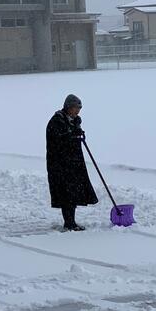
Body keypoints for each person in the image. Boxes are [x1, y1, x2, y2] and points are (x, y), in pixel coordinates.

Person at [46, 94, 98, 231]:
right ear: (68, 107)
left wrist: (77, 133)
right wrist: (72, 135)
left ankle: (71, 222)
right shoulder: (57, 121)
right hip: (60, 164)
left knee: (73, 192)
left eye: (79, 109)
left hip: (73, 163)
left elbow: (71, 137)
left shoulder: (73, 121)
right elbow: (57, 141)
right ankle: (69, 223)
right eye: (76, 108)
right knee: (66, 193)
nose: (78, 111)